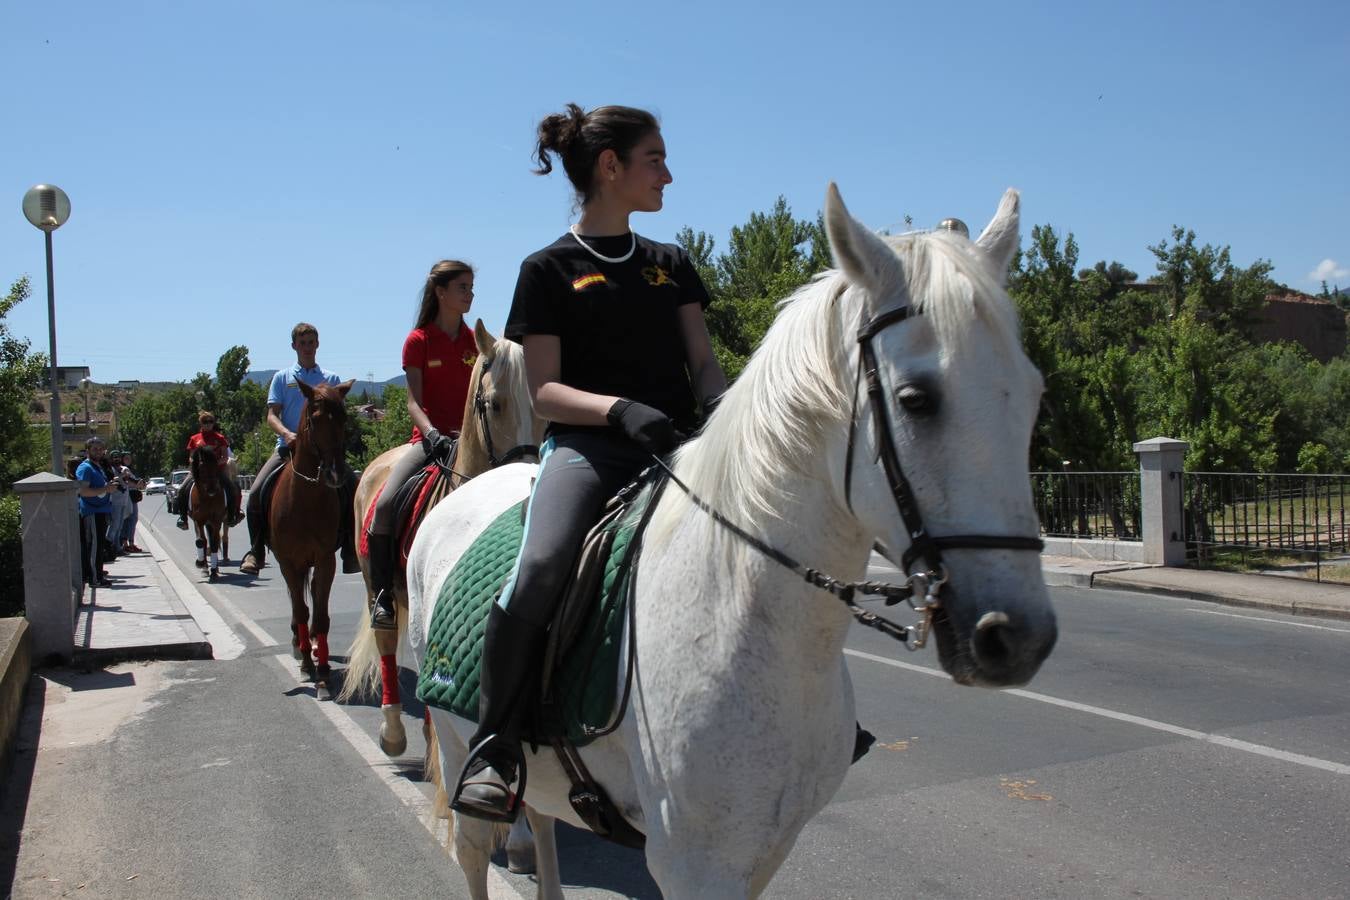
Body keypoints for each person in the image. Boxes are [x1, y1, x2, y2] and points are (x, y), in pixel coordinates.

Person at [453, 104, 726, 821]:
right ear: (612, 167)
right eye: (655, 159)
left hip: (682, 448)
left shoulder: (672, 264)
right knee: (542, 567)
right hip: (592, 450)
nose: (668, 173)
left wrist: (729, 414)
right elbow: (542, 391)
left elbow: (703, 363)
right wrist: (617, 410)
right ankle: (495, 746)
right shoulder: (547, 269)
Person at [365, 260, 480, 630]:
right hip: (430, 442)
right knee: (384, 505)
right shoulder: (418, 341)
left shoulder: (475, 341)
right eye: (463, 287)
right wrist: (432, 434)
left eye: (471, 287)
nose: (470, 294)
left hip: (471, 442)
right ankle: (382, 596)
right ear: (440, 292)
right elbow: (413, 401)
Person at [239, 323, 360, 576]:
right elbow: (272, 415)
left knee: (354, 487)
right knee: (256, 493)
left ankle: (350, 548)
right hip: (288, 448)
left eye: (311, 342)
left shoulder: (331, 380)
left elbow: (337, 417)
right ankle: (256, 550)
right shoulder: (282, 378)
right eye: (302, 343)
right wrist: (287, 433)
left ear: (317, 345)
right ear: (294, 346)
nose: (307, 347)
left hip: (325, 451)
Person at [175, 411, 243, 530]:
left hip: (217, 471)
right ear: (201, 423)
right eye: (205, 422)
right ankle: (183, 518)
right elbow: (191, 457)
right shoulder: (194, 439)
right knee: (181, 490)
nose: (208, 424)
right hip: (199, 471)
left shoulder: (220, 438)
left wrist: (214, 464)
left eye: (210, 422)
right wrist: (196, 463)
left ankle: (233, 515)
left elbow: (225, 457)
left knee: (233, 487)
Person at [75, 437, 119, 589]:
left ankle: (98, 574)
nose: (98, 452)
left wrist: (109, 487)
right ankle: (94, 579)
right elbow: (83, 491)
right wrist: (105, 489)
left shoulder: (97, 466)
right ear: (87, 451)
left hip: (101, 510)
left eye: (101, 449)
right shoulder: (85, 468)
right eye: (95, 449)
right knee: (94, 545)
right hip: (92, 511)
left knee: (99, 545)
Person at [117, 451, 147, 553]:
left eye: (129, 458)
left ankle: (130, 543)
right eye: (126, 458)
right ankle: (127, 543)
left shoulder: (129, 469)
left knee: (132, 520)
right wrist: (138, 484)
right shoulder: (123, 469)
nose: (128, 460)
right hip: (128, 497)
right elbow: (129, 482)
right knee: (130, 520)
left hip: (132, 498)